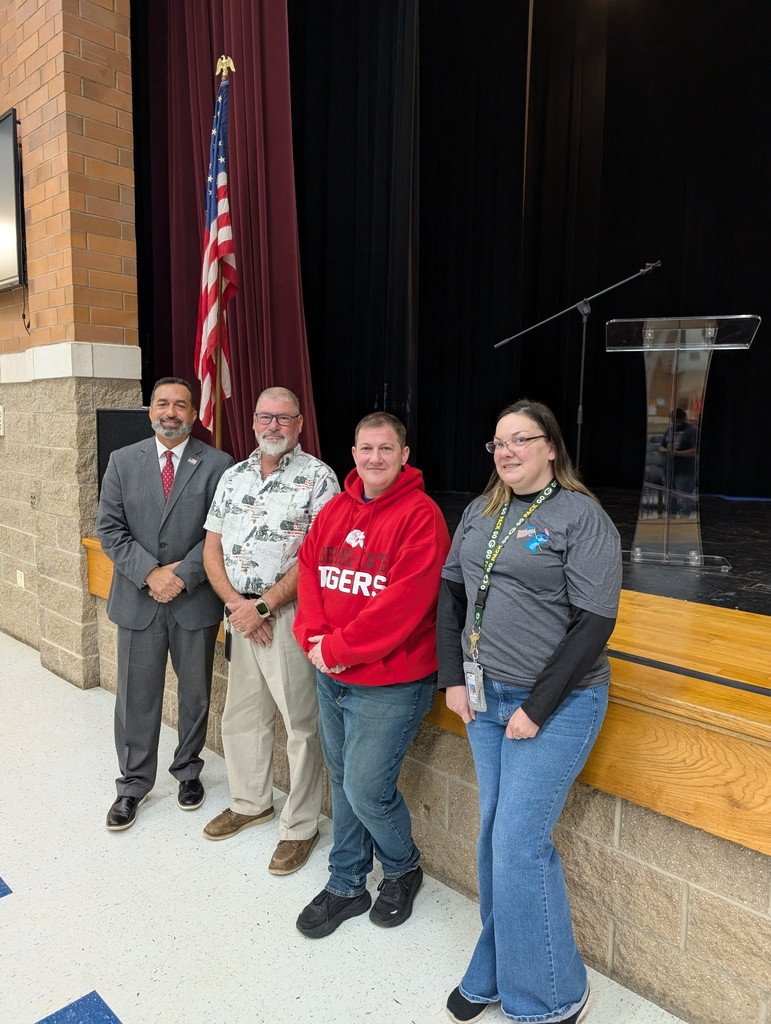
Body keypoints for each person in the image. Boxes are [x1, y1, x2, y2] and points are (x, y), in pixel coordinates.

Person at [437, 399, 621, 1024]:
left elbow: (596, 622)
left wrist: (539, 708)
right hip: (484, 697)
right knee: (495, 836)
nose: (507, 451)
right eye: (498, 442)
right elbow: (452, 592)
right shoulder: (480, 510)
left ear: (550, 448)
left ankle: (551, 996)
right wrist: (451, 679)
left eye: (521, 439)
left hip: (558, 702)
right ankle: (492, 968)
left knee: (518, 843)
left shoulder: (581, 517)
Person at [292, 412, 450, 938]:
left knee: (365, 789)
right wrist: (314, 640)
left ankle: (403, 869)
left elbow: (404, 605)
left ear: (404, 454)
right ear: (354, 451)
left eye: (386, 449)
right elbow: (310, 570)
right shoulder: (335, 508)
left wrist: (338, 647)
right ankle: (346, 883)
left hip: (390, 682)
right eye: (366, 448)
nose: (374, 458)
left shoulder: (422, 517)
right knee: (342, 781)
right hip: (330, 673)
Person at [202, 387, 339, 876]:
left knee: (301, 726)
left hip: (288, 621)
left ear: (300, 424)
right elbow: (211, 546)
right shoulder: (233, 476)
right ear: (254, 421)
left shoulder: (319, 479)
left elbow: (318, 559)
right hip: (240, 618)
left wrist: (262, 605)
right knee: (241, 716)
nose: (274, 425)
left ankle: (301, 826)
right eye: (266, 417)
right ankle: (249, 801)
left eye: (284, 418)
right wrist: (238, 607)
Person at [97, 377, 234, 831]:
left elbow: (220, 534)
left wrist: (180, 575)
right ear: (149, 410)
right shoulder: (122, 461)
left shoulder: (218, 465)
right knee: (136, 698)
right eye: (162, 403)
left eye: (180, 405)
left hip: (193, 600)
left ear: (194, 413)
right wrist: (150, 573)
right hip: (138, 600)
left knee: (195, 694)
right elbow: (110, 530)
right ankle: (133, 784)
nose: (170, 412)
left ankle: (188, 770)